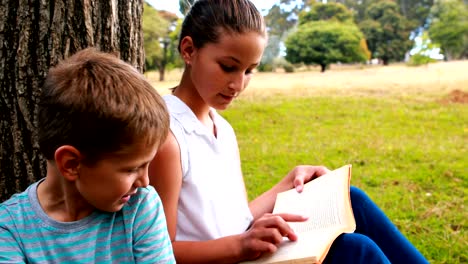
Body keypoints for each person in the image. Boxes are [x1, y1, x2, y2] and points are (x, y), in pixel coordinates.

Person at [149, 0, 429, 263]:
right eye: (228, 67)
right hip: (228, 257)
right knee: (357, 251)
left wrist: (288, 184)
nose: (238, 84)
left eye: (249, 71)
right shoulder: (168, 136)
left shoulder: (220, 126)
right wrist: (242, 246)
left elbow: (235, 220)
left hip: (244, 248)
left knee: (353, 198)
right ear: (189, 50)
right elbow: (161, 250)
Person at [0, 48, 175, 263]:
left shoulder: (140, 207)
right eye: (131, 169)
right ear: (72, 164)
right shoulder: (10, 228)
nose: (145, 181)